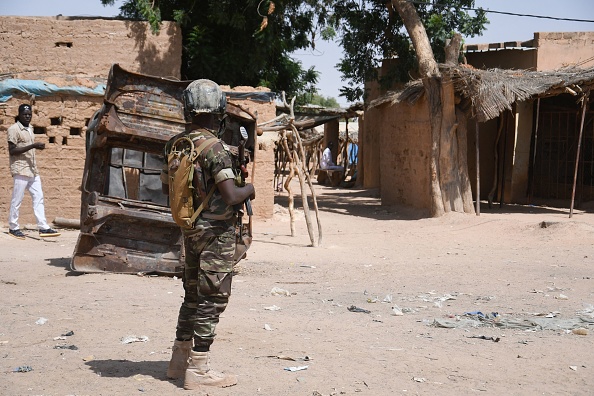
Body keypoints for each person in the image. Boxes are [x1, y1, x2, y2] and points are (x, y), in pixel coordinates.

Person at [161, 79, 255, 390]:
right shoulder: (214, 148)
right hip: (217, 232)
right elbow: (231, 195)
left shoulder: (176, 145)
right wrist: (250, 188)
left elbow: (165, 184)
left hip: (190, 229)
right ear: (217, 112)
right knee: (213, 297)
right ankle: (198, 369)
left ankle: (178, 362)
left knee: (191, 295)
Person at [7, 104, 60, 239]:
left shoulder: (30, 128)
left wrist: (35, 147)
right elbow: (12, 151)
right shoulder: (13, 129)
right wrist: (33, 146)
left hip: (32, 169)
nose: (28, 116)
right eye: (25, 114)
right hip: (20, 168)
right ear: (19, 115)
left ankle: (43, 227)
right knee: (17, 199)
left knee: (38, 197)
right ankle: (13, 227)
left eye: (29, 114)